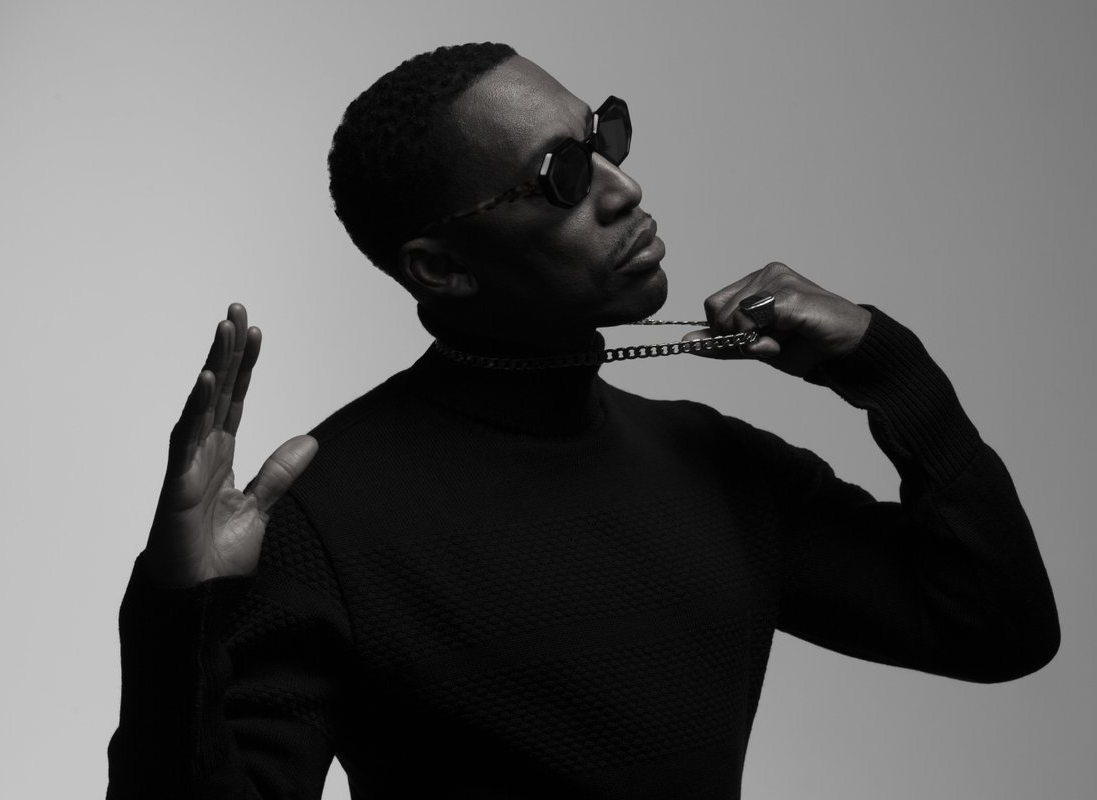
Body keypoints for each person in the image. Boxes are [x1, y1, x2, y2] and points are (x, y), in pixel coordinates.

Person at [106, 43, 1060, 799]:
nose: (622, 187)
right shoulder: (324, 520)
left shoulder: (714, 463)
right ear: (441, 268)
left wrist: (889, 369)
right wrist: (176, 614)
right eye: (563, 175)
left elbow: (997, 626)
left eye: (605, 136)